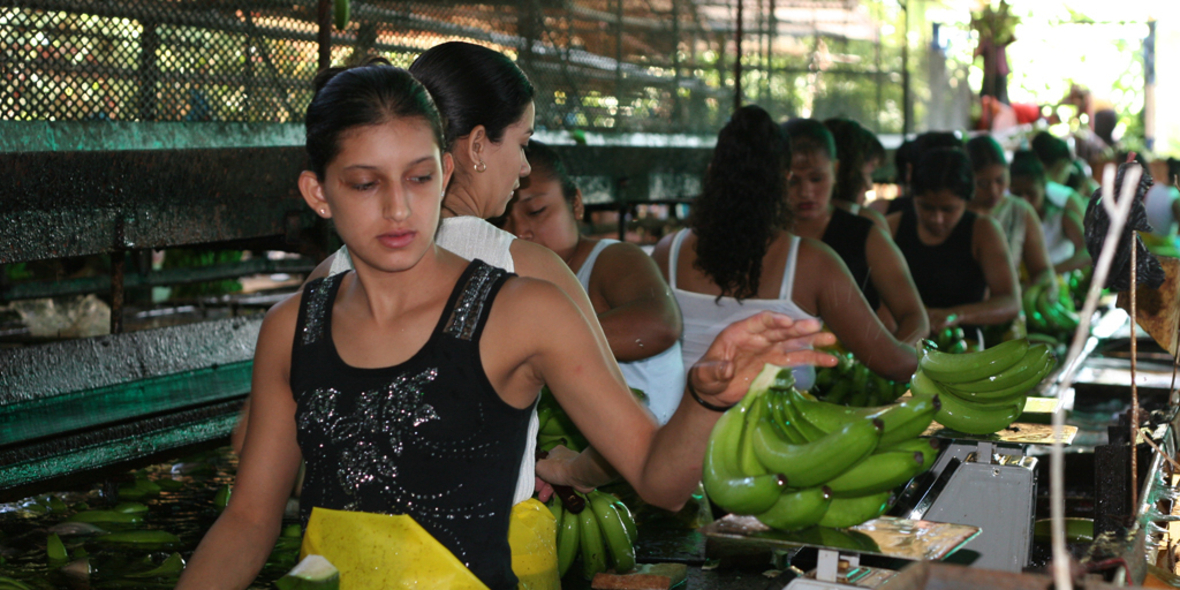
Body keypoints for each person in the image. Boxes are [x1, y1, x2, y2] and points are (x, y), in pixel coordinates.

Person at [177, 62, 835, 590]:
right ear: (318, 193)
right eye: (363, 183)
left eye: (419, 176)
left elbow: (660, 480)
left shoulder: (523, 309)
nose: (399, 207)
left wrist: (705, 399)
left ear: (447, 171)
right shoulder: (294, 327)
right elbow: (248, 522)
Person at [652, 106, 917, 388]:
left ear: (711, 174)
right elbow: (895, 364)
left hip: (683, 428)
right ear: (783, 178)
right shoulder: (814, 262)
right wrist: (938, 360)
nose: (805, 191)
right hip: (781, 431)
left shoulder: (668, 251)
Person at [504, 140, 685, 424]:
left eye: (537, 210)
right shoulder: (511, 280)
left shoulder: (614, 259)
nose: (519, 231)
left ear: (575, 203)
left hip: (649, 444)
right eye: (501, 219)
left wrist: (536, 343)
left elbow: (659, 325)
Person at [782, 118, 928, 346]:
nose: (806, 191)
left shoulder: (865, 232)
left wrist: (889, 366)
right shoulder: (763, 234)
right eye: (792, 181)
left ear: (835, 169)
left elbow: (915, 318)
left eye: (816, 178)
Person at [888, 148, 1020, 332]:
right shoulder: (892, 228)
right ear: (913, 197)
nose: (937, 218)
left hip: (965, 347)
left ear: (967, 201)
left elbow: (1010, 302)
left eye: (948, 209)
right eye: (926, 207)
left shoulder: (983, 231)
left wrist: (956, 315)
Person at [964, 135, 1054, 290]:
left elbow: (1042, 271)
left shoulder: (1020, 211)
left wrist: (1031, 291)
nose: (993, 191)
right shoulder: (952, 214)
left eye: (1000, 180)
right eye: (982, 184)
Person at [1008, 150, 1091, 274]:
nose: (1024, 199)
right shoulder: (1007, 219)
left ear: (1043, 187)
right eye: (1017, 194)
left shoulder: (1062, 218)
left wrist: (1049, 273)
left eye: (1031, 193)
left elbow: (1088, 252)